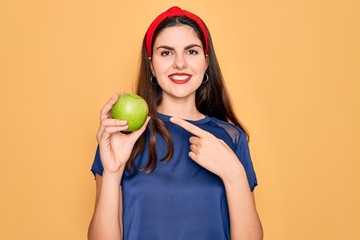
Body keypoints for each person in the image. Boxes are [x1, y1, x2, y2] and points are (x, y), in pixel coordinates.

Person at [88, 6, 263, 240]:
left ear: (205, 62)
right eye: (166, 53)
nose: (180, 63)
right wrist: (111, 172)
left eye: (191, 52)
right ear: (151, 65)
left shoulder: (230, 138)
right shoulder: (122, 135)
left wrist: (235, 175)